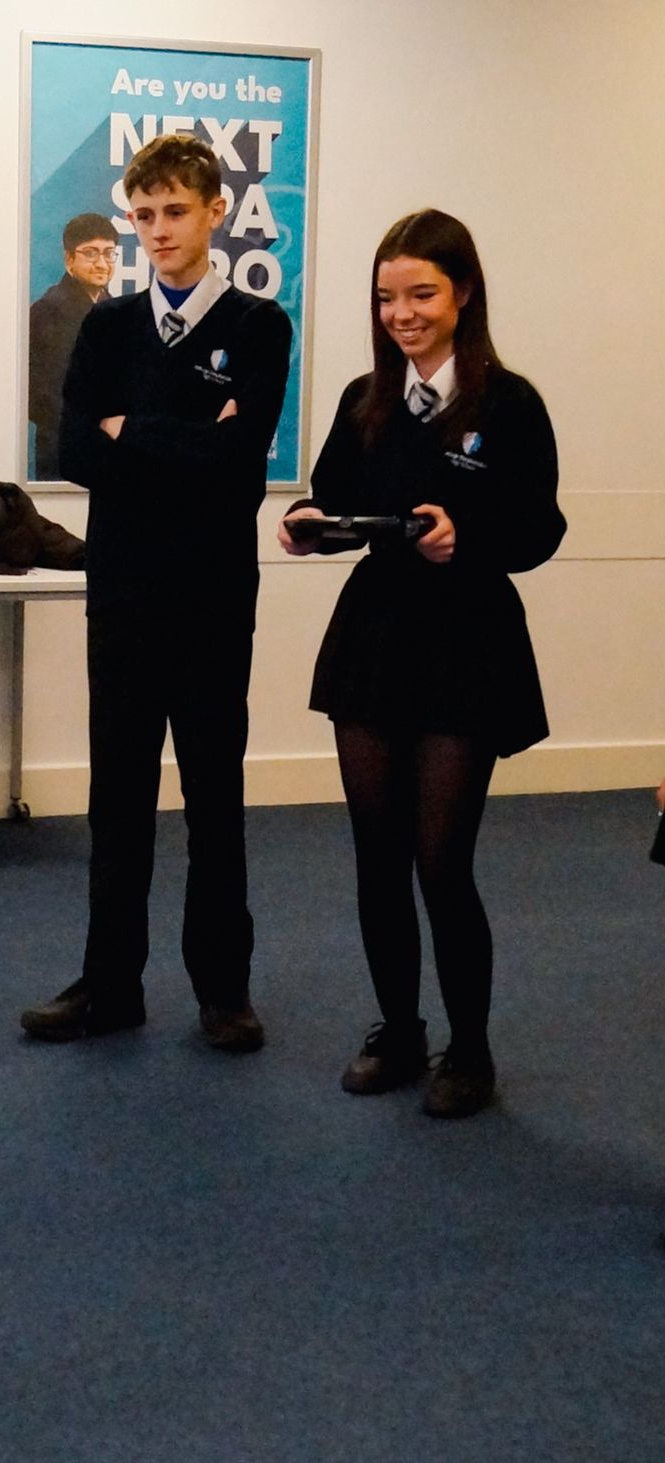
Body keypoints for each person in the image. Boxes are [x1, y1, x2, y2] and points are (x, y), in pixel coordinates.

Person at [280, 209, 565, 1117]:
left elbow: (540, 529)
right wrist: (308, 527)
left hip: (468, 643)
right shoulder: (367, 398)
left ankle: (470, 1052)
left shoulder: (509, 402)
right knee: (377, 855)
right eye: (386, 298)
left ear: (463, 293)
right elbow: (331, 496)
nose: (402, 313)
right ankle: (398, 1031)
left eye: (421, 295)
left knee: (442, 860)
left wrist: (463, 534)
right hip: (374, 640)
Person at [21, 134, 291, 1051]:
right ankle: (110, 986)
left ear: (215, 211)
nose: (158, 230)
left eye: (175, 212)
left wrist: (133, 429)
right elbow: (75, 453)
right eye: (143, 215)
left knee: (214, 795)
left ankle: (223, 989)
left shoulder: (260, 327)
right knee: (119, 797)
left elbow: (239, 470)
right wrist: (182, 435)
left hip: (215, 598)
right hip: (126, 594)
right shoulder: (108, 326)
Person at [27, 212, 118, 480]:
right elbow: (39, 395)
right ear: (69, 260)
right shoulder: (47, 312)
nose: (102, 263)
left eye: (109, 253)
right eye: (90, 253)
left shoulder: (114, 310)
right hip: (62, 451)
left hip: (108, 450)